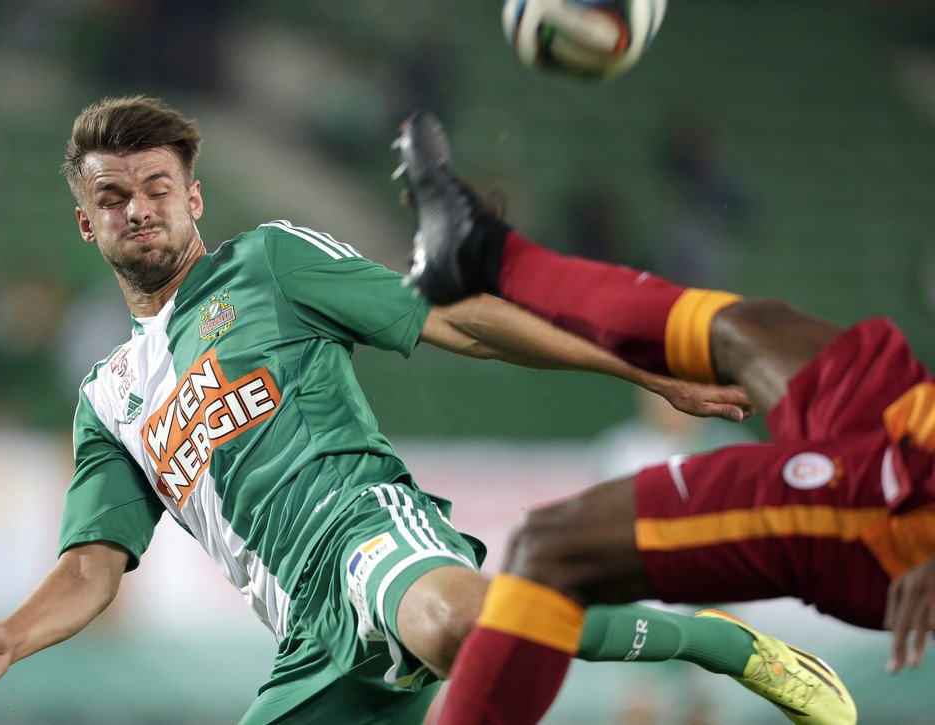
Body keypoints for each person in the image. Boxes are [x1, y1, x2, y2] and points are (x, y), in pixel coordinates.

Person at [0, 96, 848, 724]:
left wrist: (641, 367)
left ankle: (716, 642)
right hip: (307, 636)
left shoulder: (266, 264)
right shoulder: (106, 399)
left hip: (367, 531)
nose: (139, 209)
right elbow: (93, 565)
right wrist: (12, 635)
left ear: (193, 198)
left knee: (455, 623)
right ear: (87, 223)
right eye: (113, 197)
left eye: (156, 187)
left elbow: (453, 319)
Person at [394, 111, 932, 723]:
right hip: (917, 424)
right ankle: (481, 250)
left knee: (555, 548)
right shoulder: (622, 444)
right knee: (754, 328)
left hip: (906, 506)